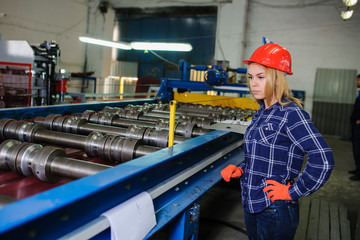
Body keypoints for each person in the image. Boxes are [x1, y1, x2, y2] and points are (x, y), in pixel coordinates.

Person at [220, 43, 334, 240]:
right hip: (252, 202)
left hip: (274, 208)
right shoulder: (261, 113)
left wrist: (292, 191)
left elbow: (323, 159)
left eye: (261, 77)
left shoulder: (291, 114)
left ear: (277, 78)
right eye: (251, 77)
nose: (253, 83)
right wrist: (241, 169)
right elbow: (265, 157)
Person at [349, 74, 360, 181]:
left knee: (358, 149)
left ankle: (359, 173)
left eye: (358, 80)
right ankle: (357, 169)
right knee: (356, 149)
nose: (356, 82)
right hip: (355, 125)